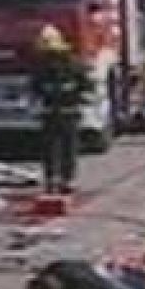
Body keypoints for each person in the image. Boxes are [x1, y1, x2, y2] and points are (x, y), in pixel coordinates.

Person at [28, 24, 93, 194]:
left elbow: (85, 84)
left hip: (62, 112)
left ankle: (60, 179)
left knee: (60, 148)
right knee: (60, 148)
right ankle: (59, 179)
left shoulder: (68, 63)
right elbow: (34, 88)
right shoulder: (50, 64)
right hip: (60, 112)